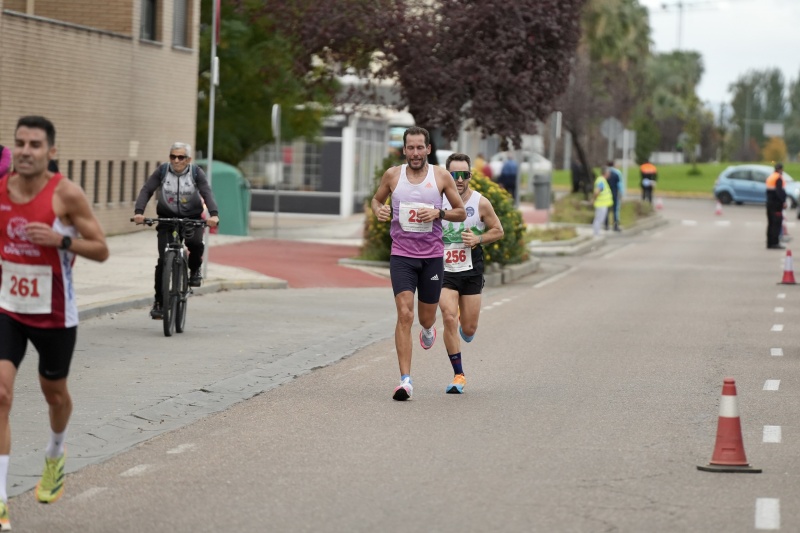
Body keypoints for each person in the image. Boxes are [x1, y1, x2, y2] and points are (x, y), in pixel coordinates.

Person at [0, 116, 109, 528]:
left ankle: (55, 454)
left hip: (55, 316)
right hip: (7, 309)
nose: (26, 150)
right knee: (1, 394)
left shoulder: (66, 195)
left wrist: (60, 239)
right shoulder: (1, 191)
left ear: (51, 151)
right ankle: (0, 500)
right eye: (21, 143)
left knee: (55, 395)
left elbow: (100, 249)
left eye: (35, 144)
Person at [371, 126, 466, 401]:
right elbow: (376, 201)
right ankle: (405, 381)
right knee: (404, 313)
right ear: (404, 150)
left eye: (419, 148)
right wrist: (381, 210)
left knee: (425, 317)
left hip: (432, 258)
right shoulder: (393, 175)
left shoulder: (441, 176)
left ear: (428, 149)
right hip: (401, 255)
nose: (415, 153)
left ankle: (428, 329)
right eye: (410, 148)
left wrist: (439, 212)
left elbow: (459, 212)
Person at [439, 153, 504, 394]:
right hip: (444, 269)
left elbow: (498, 230)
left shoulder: (480, 203)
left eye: (463, 175)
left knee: (469, 328)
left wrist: (478, 238)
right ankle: (458, 375)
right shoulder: (438, 201)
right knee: (447, 316)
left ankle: (464, 331)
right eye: (453, 175)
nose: (458, 180)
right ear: (446, 175)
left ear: (470, 176)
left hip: (471, 270)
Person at [133, 143, 220, 319]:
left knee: (195, 243)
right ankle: (159, 302)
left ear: (188, 159)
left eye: (181, 157)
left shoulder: (196, 173)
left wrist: (214, 215)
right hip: (166, 218)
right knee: (163, 260)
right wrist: (139, 212)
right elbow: (147, 189)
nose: (176, 160)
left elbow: (207, 192)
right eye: (173, 156)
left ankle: (194, 269)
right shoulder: (163, 171)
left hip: (192, 218)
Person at [766, 162, 787, 250]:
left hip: (769, 203)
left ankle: (770, 242)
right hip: (776, 205)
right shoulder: (778, 178)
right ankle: (775, 243)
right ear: (780, 169)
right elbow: (779, 192)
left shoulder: (771, 177)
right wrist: (783, 201)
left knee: (771, 224)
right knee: (776, 224)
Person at [593, 171, 613, 236]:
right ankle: (596, 233)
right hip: (601, 204)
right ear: (606, 173)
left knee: (599, 219)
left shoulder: (602, 180)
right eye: (609, 173)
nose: (609, 175)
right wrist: (593, 199)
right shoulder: (601, 181)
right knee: (599, 219)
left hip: (602, 203)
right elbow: (597, 191)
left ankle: (597, 232)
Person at [604, 160, 622, 231]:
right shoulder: (616, 174)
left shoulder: (605, 174)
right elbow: (619, 184)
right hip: (614, 193)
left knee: (607, 210)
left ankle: (606, 225)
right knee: (615, 210)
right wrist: (621, 193)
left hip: (606, 194)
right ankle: (615, 225)